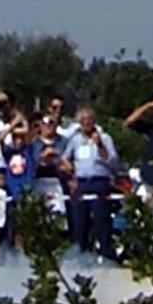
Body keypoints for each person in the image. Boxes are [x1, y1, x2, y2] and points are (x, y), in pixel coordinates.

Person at [63, 108, 118, 260]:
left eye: (89, 119)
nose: (86, 122)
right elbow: (64, 159)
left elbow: (112, 161)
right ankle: (80, 254)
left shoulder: (105, 138)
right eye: (83, 120)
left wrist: (100, 145)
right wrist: (70, 174)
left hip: (100, 181)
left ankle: (106, 254)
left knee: (101, 220)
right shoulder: (75, 140)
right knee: (79, 221)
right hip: (81, 182)